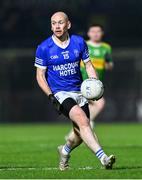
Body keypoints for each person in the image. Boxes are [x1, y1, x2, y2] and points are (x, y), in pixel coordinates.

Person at [34, 11, 115, 171]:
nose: (57, 26)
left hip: (80, 92)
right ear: (51, 26)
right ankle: (104, 158)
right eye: (53, 23)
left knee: (80, 134)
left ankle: (64, 151)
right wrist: (51, 96)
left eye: (60, 22)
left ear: (68, 24)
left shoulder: (78, 42)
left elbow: (89, 65)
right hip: (60, 93)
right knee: (83, 121)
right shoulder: (44, 48)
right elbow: (40, 76)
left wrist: (95, 83)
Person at [80, 24, 114, 128]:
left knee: (85, 112)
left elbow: (110, 67)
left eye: (98, 31)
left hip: (96, 85)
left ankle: (72, 137)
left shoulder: (106, 47)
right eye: (93, 31)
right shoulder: (83, 44)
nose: (95, 34)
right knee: (100, 103)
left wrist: (108, 62)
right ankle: (86, 123)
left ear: (102, 33)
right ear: (88, 33)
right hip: (81, 84)